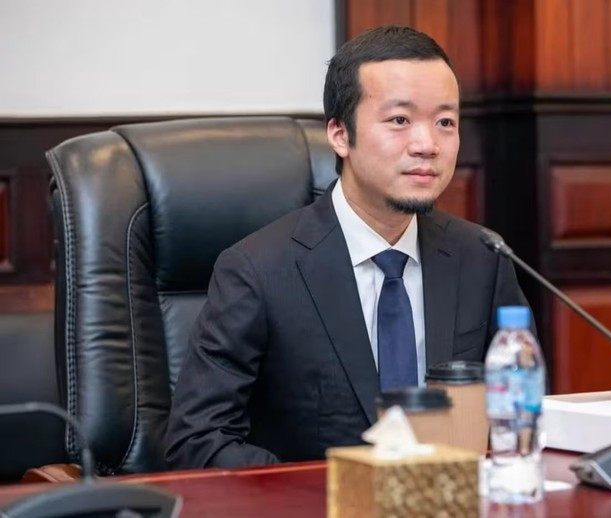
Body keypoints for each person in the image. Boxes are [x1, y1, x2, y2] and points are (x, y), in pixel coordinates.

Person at [165, 25, 530, 469]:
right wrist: (329, 492)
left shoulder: (482, 258)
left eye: (445, 123)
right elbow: (198, 441)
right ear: (340, 135)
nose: (427, 145)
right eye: (399, 120)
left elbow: (521, 416)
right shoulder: (259, 270)